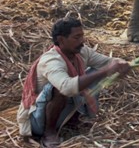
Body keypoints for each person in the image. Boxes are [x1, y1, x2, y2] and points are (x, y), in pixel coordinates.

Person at [17, 18, 131, 147]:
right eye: (76, 37)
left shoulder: (81, 52)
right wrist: (105, 71)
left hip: (65, 111)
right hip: (38, 121)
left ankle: (75, 118)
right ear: (61, 40)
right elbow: (67, 88)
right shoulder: (51, 61)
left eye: (82, 36)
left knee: (94, 72)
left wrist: (120, 64)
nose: (82, 41)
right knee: (60, 88)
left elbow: (107, 62)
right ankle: (49, 132)